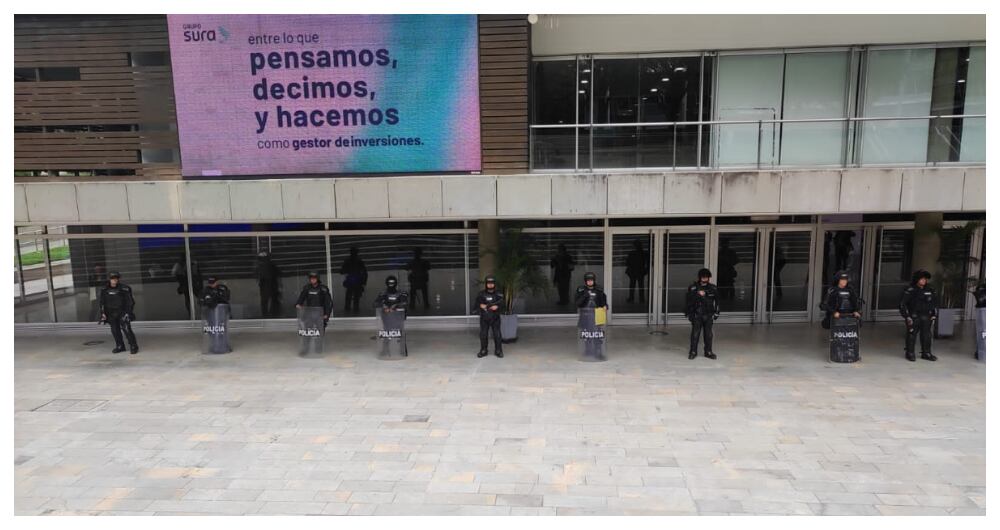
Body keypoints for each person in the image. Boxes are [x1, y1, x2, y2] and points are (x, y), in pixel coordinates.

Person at [899, 270, 937, 362]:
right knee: (912, 334)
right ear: (917, 279)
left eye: (925, 279)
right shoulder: (910, 290)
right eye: (922, 279)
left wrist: (934, 314)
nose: (924, 280)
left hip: (926, 316)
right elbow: (902, 304)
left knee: (927, 335)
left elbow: (934, 303)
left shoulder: (930, 289)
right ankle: (910, 353)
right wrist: (906, 316)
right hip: (914, 316)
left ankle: (926, 353)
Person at [99, 271, 139, 354]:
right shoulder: (104, 289)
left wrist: (128, 312)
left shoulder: (125, 288)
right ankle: (120, 346)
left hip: (122, 312)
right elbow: (102, 302)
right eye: (112, 278)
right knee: (115, 330)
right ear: (109, 279)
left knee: (127, 329)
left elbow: (130, 302)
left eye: (116, 278)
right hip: (110, 313)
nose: (114, 280)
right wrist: (103, 313)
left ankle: (133, 345)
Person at [685, 268, 719, 360]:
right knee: (695, 334)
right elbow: (688, 301)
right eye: (703, 277)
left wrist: (717, 312)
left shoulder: (713, 288)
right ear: (700, 277)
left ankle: (708, 351)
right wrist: (697, 294)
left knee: (708, 334)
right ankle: (693, 351)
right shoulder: (693, 288)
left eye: (706, 277)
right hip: (697, 314)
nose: (705, 279)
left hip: (708, 314)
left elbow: (717, 301)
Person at [475, 275, 504, 358]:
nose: (490, 285)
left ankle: (498, 350)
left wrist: (497, 307)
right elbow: (476, 304)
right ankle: (483, 350)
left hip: (495, 317)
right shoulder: (481, 294)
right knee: (483, 334)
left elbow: (504, 305)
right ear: (486, 284)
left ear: (494, 284)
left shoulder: (499, 294)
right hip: (484, 317)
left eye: (492, 283)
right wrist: (481, 305)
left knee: (497, 334)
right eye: (488, 283)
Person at [339, 246, 367, 314]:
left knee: (352, 296)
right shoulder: (357, 261)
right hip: (354, 280)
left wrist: (363, 281)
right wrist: (364, 282)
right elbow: (342, 271)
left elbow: (364, 272)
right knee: (353, 296)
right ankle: (351, 309)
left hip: (355, 280)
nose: (353, 254)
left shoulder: (356, 261)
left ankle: (350, 309)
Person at [255, 250, 281, 317]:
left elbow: (278, 275)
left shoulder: (270, 266)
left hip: (271, 285)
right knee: (267, 301)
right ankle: (268, 314)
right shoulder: (260, 267)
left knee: (270, 300)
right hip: (266, 285)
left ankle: (271, 314)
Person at [625, 239, 648, 304]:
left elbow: (627, 263)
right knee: (641, 285)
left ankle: (631, 298)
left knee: (632, 285)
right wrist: (646, 270)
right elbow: (647, 263)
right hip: (640, 271)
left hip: (633, 271)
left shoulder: (632, 253)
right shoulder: (644, 253)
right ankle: (641, 299)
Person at [974, 282, 986, 360]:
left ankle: (981, 352)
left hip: (982, 310)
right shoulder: (982, 288)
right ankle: (981, 352)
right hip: (982, 310)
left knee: (982, 332)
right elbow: (980, 299)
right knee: (983, 332)